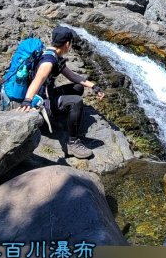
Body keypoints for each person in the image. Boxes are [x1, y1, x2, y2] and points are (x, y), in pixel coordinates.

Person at [18, 26, 104, 159]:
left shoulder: (53, 55)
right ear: (67, 44)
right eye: (71, 44)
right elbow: (38, 80)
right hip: (40, 103)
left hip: (47, 94)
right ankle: (72, 143)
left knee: (77, 88)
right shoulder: (48, 61)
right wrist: (27, 101)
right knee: (76, 102)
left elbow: (73, 77)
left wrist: (94, 86)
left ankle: (66, 116)